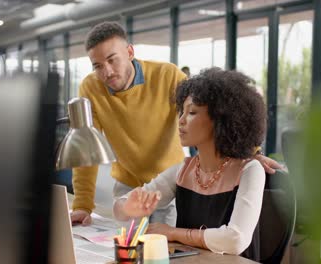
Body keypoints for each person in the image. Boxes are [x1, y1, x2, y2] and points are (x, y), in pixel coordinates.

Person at [71, 21, 281, 226]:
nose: (106, 72)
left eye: (112, 60)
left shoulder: (167, 76)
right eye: (97, 66)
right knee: (127, 253)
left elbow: (218, 110)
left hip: (168, 182)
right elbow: (86, 148)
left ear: (130, 52)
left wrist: (250, 152)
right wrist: (82, 205)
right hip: (128, 185)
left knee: (165, 254)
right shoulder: (90, 88)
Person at [113, 68, 267, 259]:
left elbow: (235, 240)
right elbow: (119, 206)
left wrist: (172, 233)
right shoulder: (183, 170)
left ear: (221, 119)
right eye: (181, 112)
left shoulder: (250, 170)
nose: (181, 121)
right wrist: (127, 208)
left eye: (192, 112)